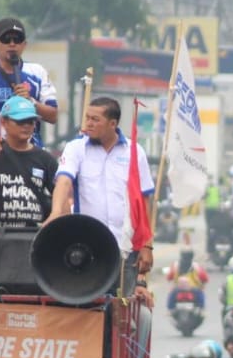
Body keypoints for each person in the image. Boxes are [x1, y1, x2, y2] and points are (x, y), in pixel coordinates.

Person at [48, 97, 154, 294]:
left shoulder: (135, 152)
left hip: (125, 247)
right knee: (89, 306)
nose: (88, 123)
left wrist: (147, 245)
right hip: (88, 247)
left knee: (121, 310)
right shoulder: (76, 148)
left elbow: (144, 200)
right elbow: (64, 181)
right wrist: (55, 212)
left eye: (95, 119)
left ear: (112, 124)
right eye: (87, 118)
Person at [0, 17, 58, 151]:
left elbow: (53, 115)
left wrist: (31, 102)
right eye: (6, 39)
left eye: (17, 39)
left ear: (24, 44)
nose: (12, 44)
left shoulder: (37, 72)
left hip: (30, 153)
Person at [0, 96, 57, 228]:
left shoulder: (45, 159)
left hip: (33, 236)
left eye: (30, 121)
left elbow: (62, 195)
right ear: (4, 122)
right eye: (20, 121)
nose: (26, 126)